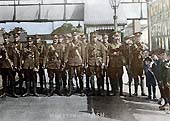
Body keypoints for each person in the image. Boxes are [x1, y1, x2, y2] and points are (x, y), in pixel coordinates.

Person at [64, 32, 85, 96]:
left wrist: (83, 62)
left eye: (75, 35)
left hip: (79, 62)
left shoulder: (81, 44)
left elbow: (83, 54)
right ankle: (70, 90)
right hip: (71, 62)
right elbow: (66, 53)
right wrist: (65, 60)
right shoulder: (69, 44)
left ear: (78, 36)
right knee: (70, 77)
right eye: (73, 36)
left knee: (80, 77)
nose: (74, 37)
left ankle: (81, 90)